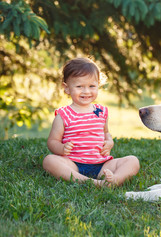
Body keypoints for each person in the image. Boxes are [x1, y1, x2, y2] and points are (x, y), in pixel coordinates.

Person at [42, 57, 140, 187]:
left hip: (101, 164)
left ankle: (114, 180)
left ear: (98, 85)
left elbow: (106, 133)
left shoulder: (101, 112)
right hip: (73, 163)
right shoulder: (63, 115)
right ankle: (89, 182)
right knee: (49, 161)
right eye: (79, 86)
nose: (86, 91)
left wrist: (109, 142)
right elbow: (52, 141)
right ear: (66, 88)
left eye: (92, 86)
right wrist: (62, 148)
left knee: (133, 160)